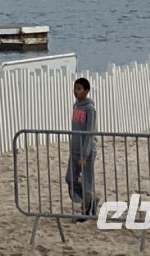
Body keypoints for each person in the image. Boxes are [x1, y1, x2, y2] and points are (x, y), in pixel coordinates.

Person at [66, 77, 97, 221]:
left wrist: (85, 155)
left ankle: (87, 210)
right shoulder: (75, 106)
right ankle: (90, 200)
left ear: (86, 91)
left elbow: (90, 133)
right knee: (70, 179)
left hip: (87, 151)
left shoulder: (90, 109)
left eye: (79, 89)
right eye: (75, 88)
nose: (76, 91)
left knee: (87, 181)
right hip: (75, 149)